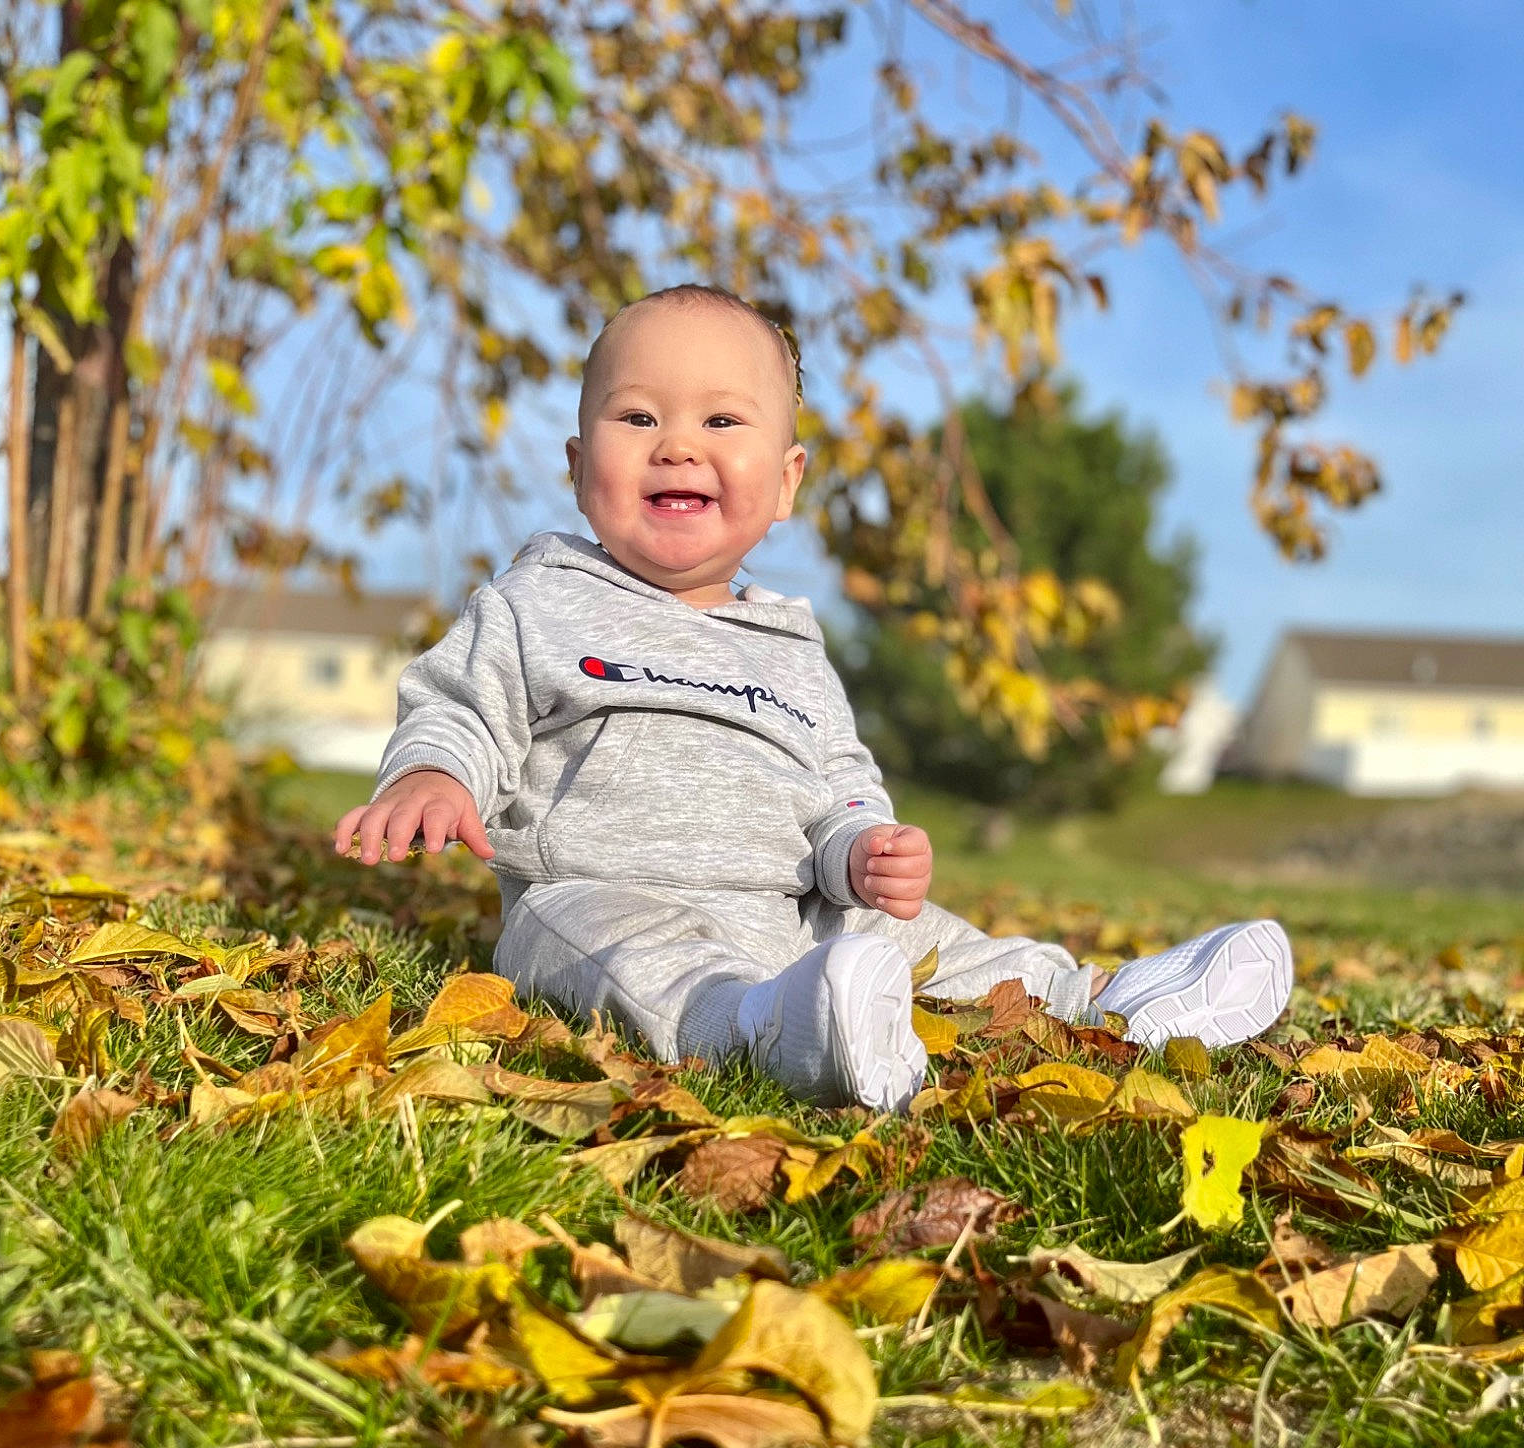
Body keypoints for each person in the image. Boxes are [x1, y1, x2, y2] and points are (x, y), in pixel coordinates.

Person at [334, 284, 1292, 1111]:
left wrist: (857, 849)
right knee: (597, 945)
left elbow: (838, 777)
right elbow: (461, 703)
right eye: (637, 420)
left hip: (795, 912)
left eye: (721, 421)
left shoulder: (789, 645)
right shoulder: (539, 601)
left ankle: (1111, 1002)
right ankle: (763, 1031)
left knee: (915, 938)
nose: (676, 447)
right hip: (605, 889)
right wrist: (431, 774)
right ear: (580, 468)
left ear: (786, 482)